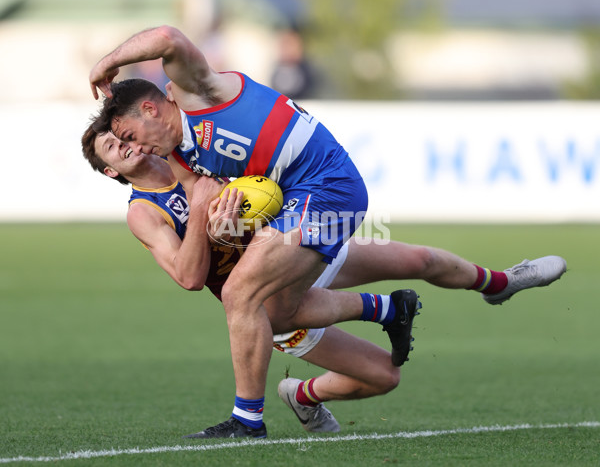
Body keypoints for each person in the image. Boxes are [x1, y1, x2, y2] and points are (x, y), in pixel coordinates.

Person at [88, 26, 567, 438]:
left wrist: (108, 63)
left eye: (128, 135)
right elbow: (208, 215)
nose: (136, 149)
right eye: (120, 147)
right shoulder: (163, 177)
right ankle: (483, 288)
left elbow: (169, 39)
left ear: (151, 108)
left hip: (320, 190)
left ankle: (247, 420)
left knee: (243, 296)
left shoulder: (194, 94)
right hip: (287, 225)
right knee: (385, 297)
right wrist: (219, 210)